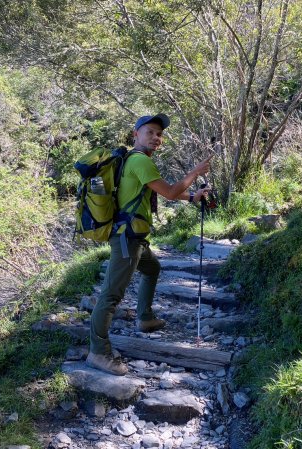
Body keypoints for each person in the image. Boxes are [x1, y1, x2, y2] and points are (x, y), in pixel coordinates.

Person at [86, 113, 212, 375]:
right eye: (150, 132)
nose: (156, 138)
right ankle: (97, 352)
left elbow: (162, 190)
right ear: (136, 135)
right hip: (127, 239)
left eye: (159, 134)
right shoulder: (140, 160)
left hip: (135, 238)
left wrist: (192, 197)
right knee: (111, 295)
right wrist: (195, 173)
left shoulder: (134, 161)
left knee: (152, 269)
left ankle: (144, 318)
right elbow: (168, 191)